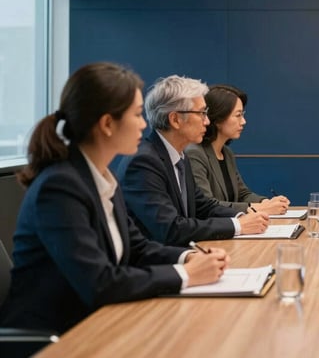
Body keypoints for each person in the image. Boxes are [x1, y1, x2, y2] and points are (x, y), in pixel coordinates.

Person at [0, 63, 228, 333]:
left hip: (99, 322)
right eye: (136, 114)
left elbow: (138, 248)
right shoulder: (60, 187)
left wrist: (189, 257)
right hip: (59, 337)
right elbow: (99, 282)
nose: (144, 124)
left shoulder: (101, 177)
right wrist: (187, 275)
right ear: (107, 124)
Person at [118, 75, 269, 246]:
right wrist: (237, 225)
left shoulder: (179, 156)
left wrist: (242, 216)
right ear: (175, 119)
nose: (207, 121)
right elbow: (170, 229)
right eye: (202, 113)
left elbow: (203, 206)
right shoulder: (144, 162)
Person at [186, 84, 290, 215]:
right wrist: (256, 208)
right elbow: (207, 205)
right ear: (218, 118)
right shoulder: (194, 153)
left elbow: (242, 194)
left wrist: (266, 202)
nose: (244, 122)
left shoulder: (226, 153)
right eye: (238, 115)